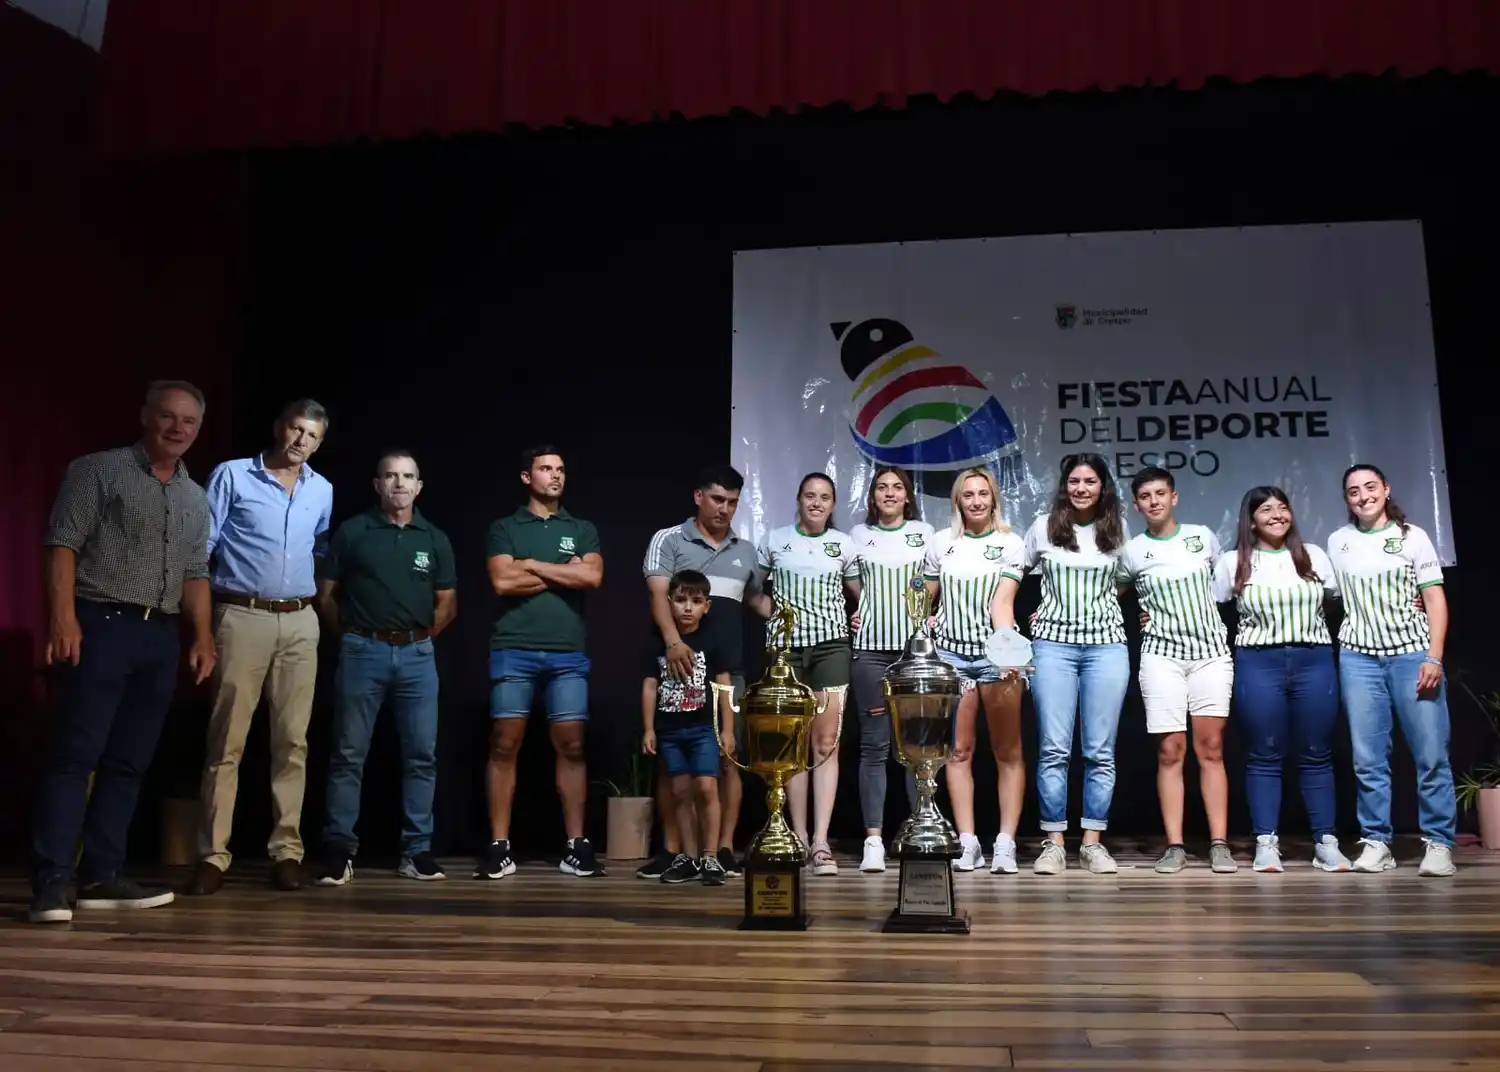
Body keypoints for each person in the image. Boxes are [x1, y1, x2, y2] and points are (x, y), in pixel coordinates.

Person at [30, 380, 217, 924]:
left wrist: (201, 636)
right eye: (168, 416)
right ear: (145, 417)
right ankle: (51, 880)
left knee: (129, 761)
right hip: (101, 622)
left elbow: (195, 572)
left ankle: (103, 874)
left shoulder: (194, 495)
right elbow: (62, 542)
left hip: (160, 635)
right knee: (75, 756)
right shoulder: (98, 470)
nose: (177, 428)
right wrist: (63, 620)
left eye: (189, 421)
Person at [189, 399, 333, 896]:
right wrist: (203, 628)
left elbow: (317, 548)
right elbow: (200, 552)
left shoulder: (323, 490)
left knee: (293, 741)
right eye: (295, 429)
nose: (301, 441)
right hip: (242, 615)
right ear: (279, 426)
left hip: (299, 621)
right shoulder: (232, 476)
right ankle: (212, 855)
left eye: (311, 436)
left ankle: (287, 852)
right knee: (226, 740)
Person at [313, 450, 458, 886]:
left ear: (419, 487)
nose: (399, 483)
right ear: (377, 484)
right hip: (362, 651)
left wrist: (415, 641)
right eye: (390, 476)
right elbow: (325, 595)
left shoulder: (434, 538)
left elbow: (447, 604)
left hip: (417, 655)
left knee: (421, 755)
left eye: (408, 476)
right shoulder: (353, 532)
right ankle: (340, 850)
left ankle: (416, 851)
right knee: (348, 754)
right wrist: (356, 638)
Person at [479, 445, 604, 880]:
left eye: (561, 469)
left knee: (572, 744)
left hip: (567, 652)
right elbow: (500, 580)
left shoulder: (581, 528)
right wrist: (557, 570)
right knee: (504, 743)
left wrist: (529, 566)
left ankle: (576, 845)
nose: (555, 476)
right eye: (546, 468)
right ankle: (498, 845)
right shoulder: (504, 527)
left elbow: (591, 576)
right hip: (513, 648)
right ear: (526, 476)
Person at [1213, 486, 1351, 874]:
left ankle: (1326, 842)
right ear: (1251, 519)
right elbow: (1210, 608)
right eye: (1266, 509)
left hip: (1314, 660)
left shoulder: (1314, 555)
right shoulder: (1232, 561)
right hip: (1259, 662)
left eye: (1283, 507)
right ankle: (1266, 843)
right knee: (1264, 754)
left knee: (1316, 754)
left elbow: (1345, 599)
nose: (1276, 515)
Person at [1328, 464, 1456, 877]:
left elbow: (1434, 599)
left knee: (1431, 754)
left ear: (1386, 488)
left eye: (1370, 487)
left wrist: (1433, 657)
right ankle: (1377, 842)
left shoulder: (1411, 536)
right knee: (1368, 759)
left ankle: (1438, 843)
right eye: (1353, 491)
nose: (1363, 496)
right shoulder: (1337, 542)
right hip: (1358, 659)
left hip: (1412, 656)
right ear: (1346, 499)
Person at [638, 465, 757, 880]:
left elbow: (759, 602)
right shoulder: (669, 539)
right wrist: (673, 644)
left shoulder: (747, 550)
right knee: (676, 769)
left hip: (728, 670)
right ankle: (674, 851)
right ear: (698, 497)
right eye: (718, 499)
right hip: (676, 666)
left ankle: (720, 850)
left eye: (732, 502)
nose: (725, 509)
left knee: (729, 759)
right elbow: (657, 594)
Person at [1115, 467, 1236, 875]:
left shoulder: (1202, 536)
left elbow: (1228, 584)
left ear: (1174, 497)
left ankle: (1219, 844)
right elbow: (1109, 595)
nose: (1154, 501)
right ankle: (1175, 845)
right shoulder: (1132, 551)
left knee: (1211, 750)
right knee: (1170, 752)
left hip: (1210, 655)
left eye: (1160, 493)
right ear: (1136, 505)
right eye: (1145, 495)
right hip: (1161, 658)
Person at [1024, 453, 1131, 875]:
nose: (1081, 488)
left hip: (1107, 648)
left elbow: (1124, 583)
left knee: (1100, 752)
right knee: (1053, 749)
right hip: (1052, 648)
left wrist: (1090, 610)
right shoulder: (1042, 528)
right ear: (1064, 485)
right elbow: (1013, 577)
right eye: (1074, 480)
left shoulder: (1117, 529)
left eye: (1090, 481)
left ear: (1102, 487)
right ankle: (1053, 843)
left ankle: (1091, 843)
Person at [749, 473, 855, 876]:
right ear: (798, 500)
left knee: (825, 742)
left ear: (832, 504)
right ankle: (795, 834)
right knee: (791, 746)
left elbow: (860, 593)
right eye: (810, 496)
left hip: (832, 649)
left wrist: (865, 615)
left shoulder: (843, 545)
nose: (816, 503)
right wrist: (775, 617)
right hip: (785, 654)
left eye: (825, 497)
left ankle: (821, 843)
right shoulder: (775, 540)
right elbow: (752, 591)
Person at [923, 467, 1027, 874]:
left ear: (994, 498)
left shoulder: (1010, 543)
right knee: (959, 751)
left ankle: (1005, 843)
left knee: (1007, 751)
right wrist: (922, 622)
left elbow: (1003, 605)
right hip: (950, 658)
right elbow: (923, 600)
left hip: (995, 659)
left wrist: (1007, 654)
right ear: (957, 501)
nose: (977, 500)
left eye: (984, 493)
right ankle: (967, 841)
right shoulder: (940, 544)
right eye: (969, 494)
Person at [846, 466, 929, 872]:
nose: (890, 493)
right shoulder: (857, 538)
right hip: (871, 655)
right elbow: (849, 586)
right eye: (882, 487)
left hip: (915, 655)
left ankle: (919, 830)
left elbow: (940, 585)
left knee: (918, 749)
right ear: (873, 496)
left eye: (898, 487)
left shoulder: (926, 535)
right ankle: (874, 842)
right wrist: (858, 614)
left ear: (908, 496)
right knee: (874, 747)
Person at [641, 570, 734, 886]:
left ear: (706, 606)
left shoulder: (713, 640)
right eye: (680, 600)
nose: (687, 608)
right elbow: (650, 686)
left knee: (707, 788)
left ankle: (710, 855)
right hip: (670, 730)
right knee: (680, 791)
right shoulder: (658, 642)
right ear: (669, 603)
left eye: (696, 601)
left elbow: (724, 687)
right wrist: (648, 728)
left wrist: (728, 730)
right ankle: (689, 857)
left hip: (704, 730)